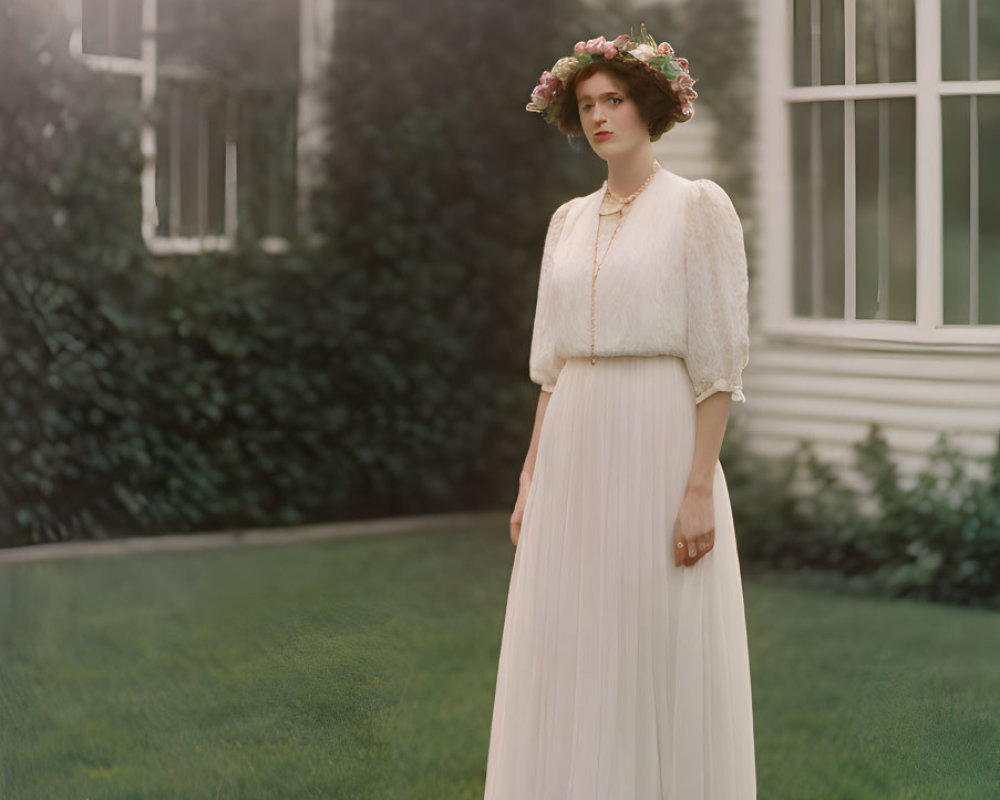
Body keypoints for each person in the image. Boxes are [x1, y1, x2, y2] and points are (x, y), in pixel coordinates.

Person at [483, 28, 756, 800]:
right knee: (571, 642)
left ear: (650, 107)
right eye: (588, 104)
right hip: (573, 442)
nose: (601, 116)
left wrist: (699, 485)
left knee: (648, 639)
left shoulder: (697, 208)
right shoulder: (566, 221)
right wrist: (531, 473)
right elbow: (552, 365)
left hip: (657, 438)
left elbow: (717, 362)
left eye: (616, 100)